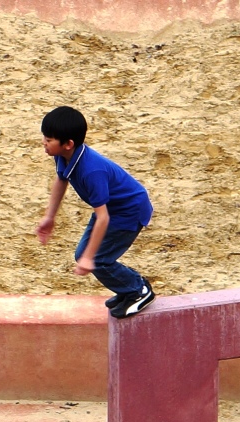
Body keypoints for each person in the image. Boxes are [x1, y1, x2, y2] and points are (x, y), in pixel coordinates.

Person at [35, 106, 155, 318]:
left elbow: (103, 218)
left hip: (128, 212)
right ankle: (127, 289)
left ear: (68, 144)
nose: (44, 143)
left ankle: (138, 291)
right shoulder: (63, 156)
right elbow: (61, 179)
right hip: (112, 208)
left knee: (97, 259)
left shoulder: (92, 171)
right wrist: (49, 217)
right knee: (84, 255)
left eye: (49, 139)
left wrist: (90, 258)